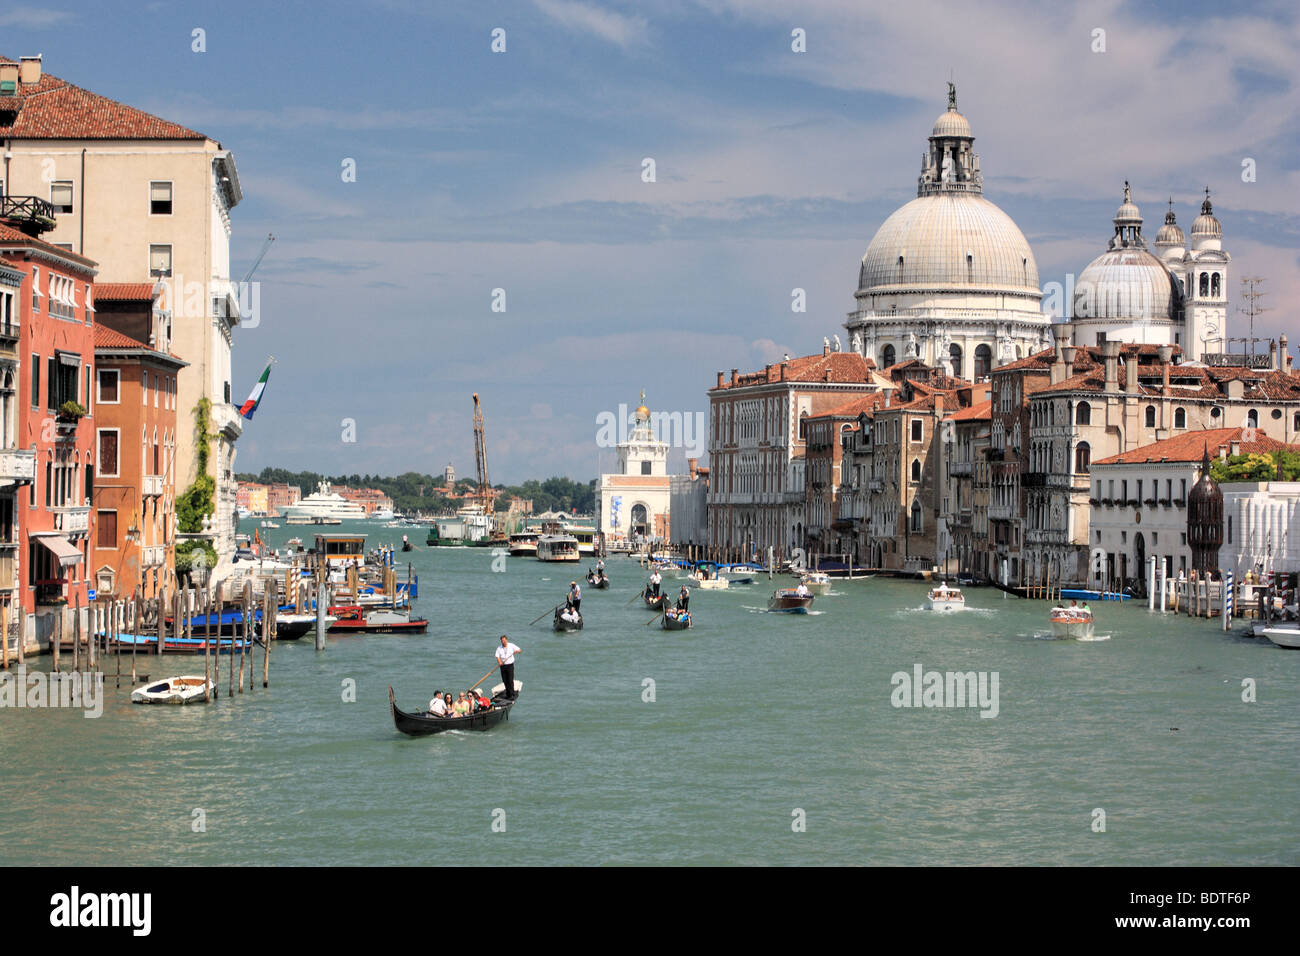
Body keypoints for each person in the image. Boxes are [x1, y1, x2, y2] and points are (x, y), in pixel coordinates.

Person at [495, 635, 521, 699]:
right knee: (505, 680)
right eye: (502, 641)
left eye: (504, 640)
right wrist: (499, 662)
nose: (503, 642)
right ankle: (508, 694)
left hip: (510, 665)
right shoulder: (499, 648)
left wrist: (517, 651)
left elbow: (520, 650)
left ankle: (512, 694)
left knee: (510, 680)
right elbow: (497, 656)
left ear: (506, 640)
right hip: (503, 666)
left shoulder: (511, 645)